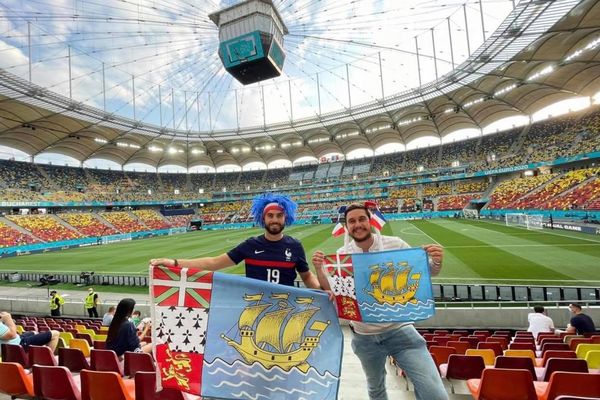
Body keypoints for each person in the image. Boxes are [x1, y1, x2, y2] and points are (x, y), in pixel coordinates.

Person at [312, 204, 448, 400]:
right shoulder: (342, 255)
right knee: (376, 390)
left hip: (400, 331)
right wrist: (319, 269)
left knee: (434, 392)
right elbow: (332, 290)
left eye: (361, 219)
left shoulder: (396, 244)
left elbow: (425, 272)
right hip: (364, 337)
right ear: (347, 226)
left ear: (370, 221)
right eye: (352, 221)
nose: (357, 225)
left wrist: (436, 261)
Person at [150, 193, 320, 289]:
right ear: (263, 218)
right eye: (270, 216)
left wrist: (322, 291)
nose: (274, 220)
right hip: (253, 309)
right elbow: (213, 263)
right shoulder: (251, 245)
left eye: (279, 216)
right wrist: (173, 262)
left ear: (285, 218)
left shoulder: (295, 246)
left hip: (286, 309)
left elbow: (307, 277)